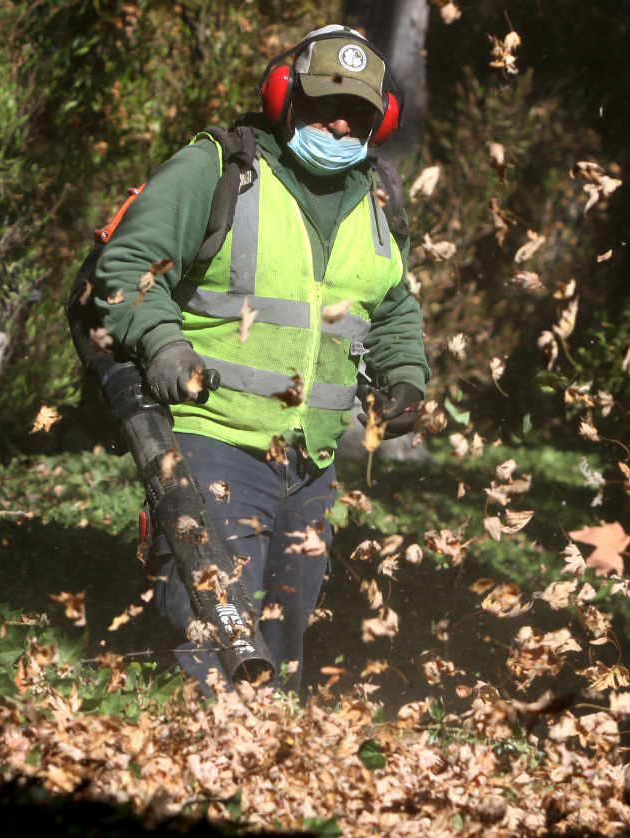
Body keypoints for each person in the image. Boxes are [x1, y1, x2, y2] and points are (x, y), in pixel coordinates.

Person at [88, 25, 429, 693]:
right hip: (211, 441)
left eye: (357, 111)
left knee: (281, 646)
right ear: (284, 98)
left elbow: (392, 307)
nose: (339, 122)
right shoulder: (220, 169)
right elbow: (128, 265)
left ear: (380, 119)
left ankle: (268, 781)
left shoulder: (380, 198)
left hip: (310, 465)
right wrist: (163, 343)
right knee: (214, 638)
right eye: (326, 103)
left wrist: (405, 376)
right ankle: (193, 776)